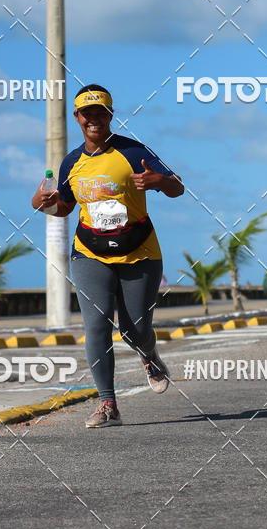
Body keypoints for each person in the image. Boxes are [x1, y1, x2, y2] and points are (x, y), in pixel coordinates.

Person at [31, 85, 184, 429]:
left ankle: (148, 353)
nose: (94, 119)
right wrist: (42, 204)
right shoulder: (71, 162)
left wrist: (159, 181)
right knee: (97, 325)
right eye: (87, 114)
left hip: (139, 252)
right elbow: (64, 207)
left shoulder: (133, 151)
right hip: (89, 253)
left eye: (101, 112)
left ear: (111, 115)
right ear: (77, 118)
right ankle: (108, 405)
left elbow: (178, 187)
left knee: (135, 329)